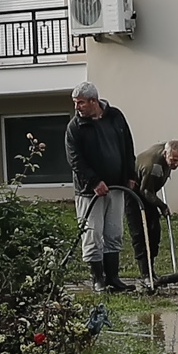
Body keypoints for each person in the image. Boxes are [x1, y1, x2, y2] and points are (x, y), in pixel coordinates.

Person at [64, 81, 138, 289]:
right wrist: (94, 181)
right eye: (75, 103)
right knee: (92, 233)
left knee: (114, 232)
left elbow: (128, 146)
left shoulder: (115, 116)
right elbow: (75, 159)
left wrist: (130, 175)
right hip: (90, 192)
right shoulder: (75, 127)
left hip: (117, 186)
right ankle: (98, 279)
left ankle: (113, 278)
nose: (77, 107)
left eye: (81, 103)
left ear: (94, 101)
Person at [128, 137, 178, 277]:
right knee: (141, 233)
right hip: (134, 192)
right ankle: (146, 274)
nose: (176, 164)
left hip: (148, 190)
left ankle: (151, 270)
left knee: (154, 232)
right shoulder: (154, 167)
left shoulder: (166, 149)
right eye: (173, 160)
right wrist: (162, 206)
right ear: (165, 154)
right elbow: (146, 191)